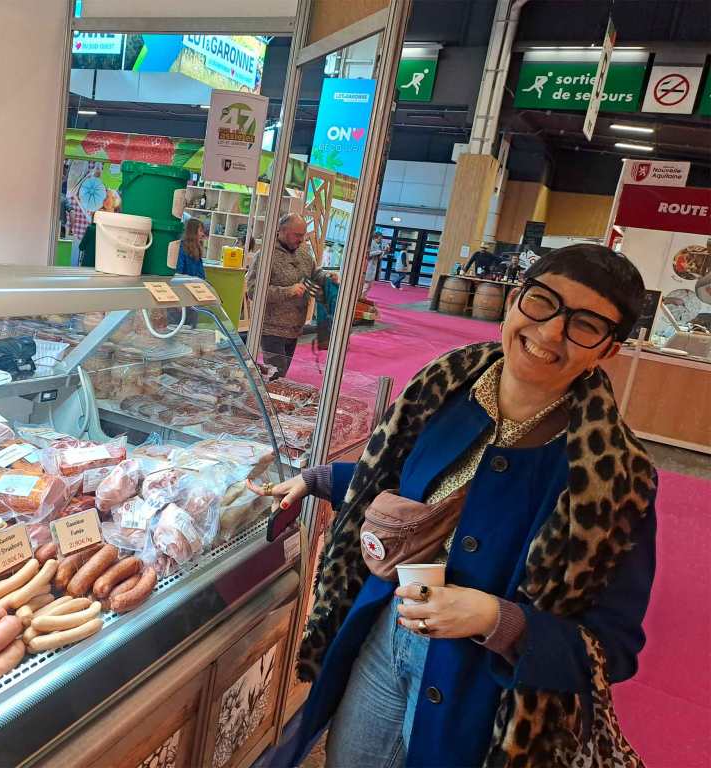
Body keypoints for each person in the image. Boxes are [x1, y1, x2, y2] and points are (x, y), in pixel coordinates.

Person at [260, 244, 657, 768]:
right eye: (543, 301)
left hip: (484, 692)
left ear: (608, 350)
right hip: (385, 633)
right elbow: (414, 491)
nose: (550, 332)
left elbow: (614, 646)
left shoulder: (613, 476)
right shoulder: (444, 390)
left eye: (585, 324)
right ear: (514, 301)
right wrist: (321, 479)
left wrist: (499, 618)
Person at [246, 213, 331, 378]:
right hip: (272, 329)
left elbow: (314, 274)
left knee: (279, 376)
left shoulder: (304, 255)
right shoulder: (265, 256)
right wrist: (288, 291)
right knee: (276, 377)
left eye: (303, 235)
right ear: (282, 231)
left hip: (294, 328)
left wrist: (327, 277)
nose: (301, 240)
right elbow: (253, 290)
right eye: (297, 235)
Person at [365, 232, 387, 299]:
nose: (380, 240)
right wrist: (379, 251)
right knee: (366, 284)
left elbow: (379, 257)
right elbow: (368, 254)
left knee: (370, 285)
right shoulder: (371, 243)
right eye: (379, 239)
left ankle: (364, 296)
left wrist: (384, 252)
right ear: (375, 238)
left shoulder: (379, 245)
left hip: (375, 266)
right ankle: (362, 297)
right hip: (369, 265)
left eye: (381, 239)